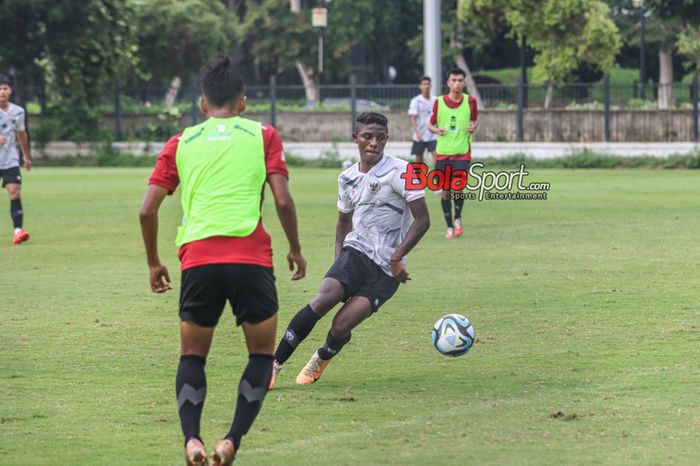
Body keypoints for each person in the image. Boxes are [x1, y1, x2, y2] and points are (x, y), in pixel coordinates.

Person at [139, 56, 306, 466]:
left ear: (201, 104)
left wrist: (154, 263)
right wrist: (295, 249)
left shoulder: (181, 142)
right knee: (261, 356)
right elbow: (282, 198)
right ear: (244, 102)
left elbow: (147, 210)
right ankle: (231, 441)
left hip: (198, 260)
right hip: (251, 258)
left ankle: (192, 440)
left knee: (192, 357)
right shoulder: (263, 135)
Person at [269, 112, 430, 388]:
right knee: (323, 299)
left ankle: (322, 356)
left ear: (386, 140)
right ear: (355, 138)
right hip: (355, 254)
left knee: (341, 325)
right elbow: (343, 222)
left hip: (386, 271)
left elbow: (423, 220)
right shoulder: (347, 178)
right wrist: (338, 264)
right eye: (367, 136)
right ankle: (273, 366)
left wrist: (396, 257)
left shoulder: (404, 171)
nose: (374, 143)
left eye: (380, 138)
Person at [428, 68, 478, 239]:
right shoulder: (439, 102)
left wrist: (473, 127)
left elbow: (473, 122)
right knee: (446, 191)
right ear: (448, 83)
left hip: (462, 152)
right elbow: (431, 124)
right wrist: (436, 130)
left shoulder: (471, 101)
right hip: (443, 153)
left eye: (460, 80)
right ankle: (449, 227)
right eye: (454, 80)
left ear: (464, 83)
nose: (457, 83)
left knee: (458, 187)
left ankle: (458, 218)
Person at [0, 75, 32, 244]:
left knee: (14, 192)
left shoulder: (18, 111)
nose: (2, 92)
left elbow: (21, 134)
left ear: (10, 91)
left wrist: (25, 156)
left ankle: (18, 231)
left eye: (5, 88)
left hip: (9, 159)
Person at [407, 76, 437, 165]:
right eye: (424, 84)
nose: (426, 86)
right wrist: (417, 133)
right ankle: (418, 178)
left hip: (433, 135)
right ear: (420, 86)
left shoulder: (436, 100)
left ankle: (440, 177)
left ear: (431, 86)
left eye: (428, 84)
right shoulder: (416, 101)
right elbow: (413, 118)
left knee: (438, 158)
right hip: (420, 135)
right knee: (419, 160)